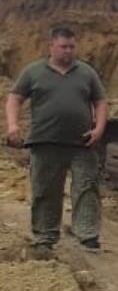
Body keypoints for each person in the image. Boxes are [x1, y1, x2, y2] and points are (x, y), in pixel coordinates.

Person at [5, 25, 108, 255]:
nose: (68, 51)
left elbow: (100, 101)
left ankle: (88, 235)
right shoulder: (33, 72)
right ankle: (45, 236)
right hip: (45, 141)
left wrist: (99, 128)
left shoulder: (86, 72)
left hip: (82, 143)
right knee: (46, 190)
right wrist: (13, 125)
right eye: (63, 47)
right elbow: (14, 99)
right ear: (51, 46)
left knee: (86, 188)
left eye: (72, 47)